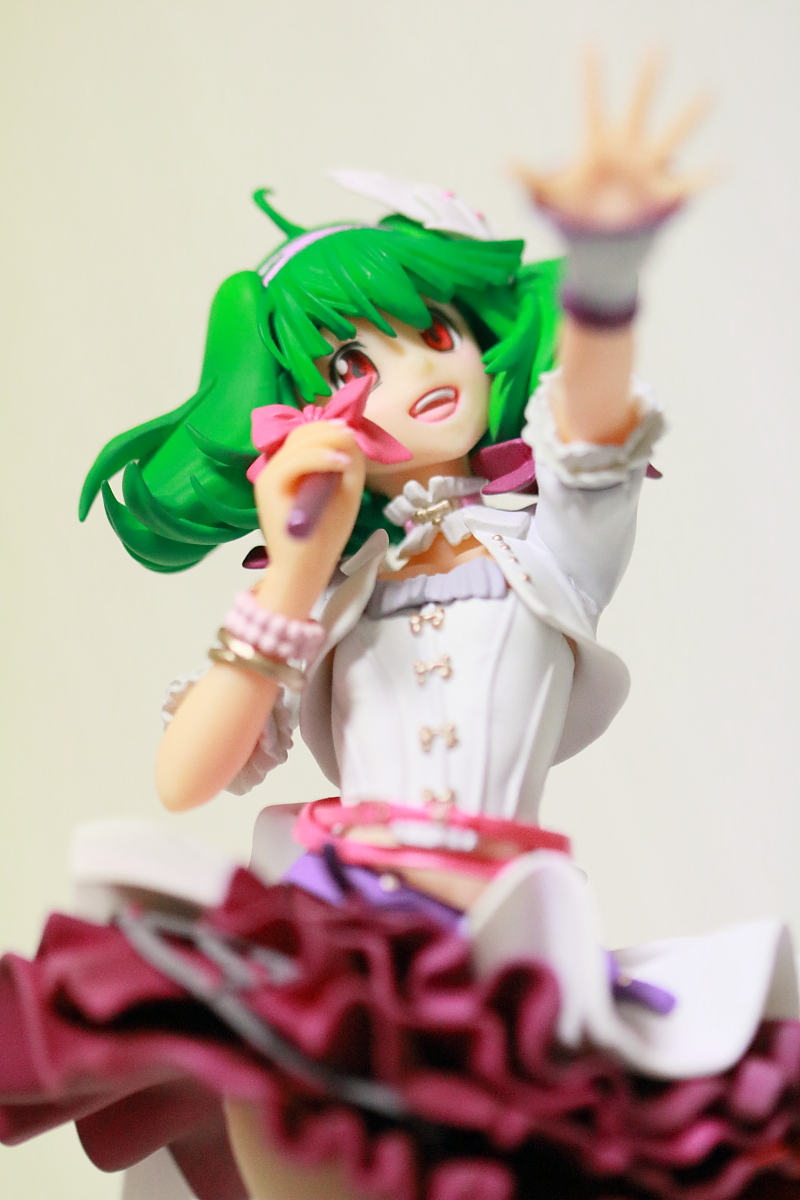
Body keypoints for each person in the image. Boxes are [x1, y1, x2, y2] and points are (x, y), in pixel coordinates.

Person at [2, 59, 799, 1200]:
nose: (415, 370)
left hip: (502, 936)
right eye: (351, 364)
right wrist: (297, 567)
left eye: (432, 330)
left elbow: (590, 426)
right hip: (336, 931)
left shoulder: (545, 543)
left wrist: (604, 281)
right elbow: (188, 776)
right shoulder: (334, 580)